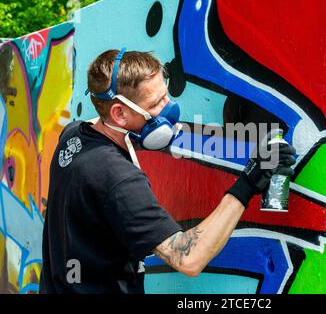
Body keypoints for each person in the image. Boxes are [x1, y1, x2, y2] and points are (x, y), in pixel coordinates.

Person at [39, 48, 297, 294]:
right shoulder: (119, 180)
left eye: (166, 95)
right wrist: (249, 182)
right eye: (157, 103)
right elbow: (188, 259)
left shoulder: (73, 134)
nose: (169, 106)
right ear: (119, 113)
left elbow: (115, 136)